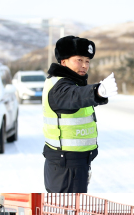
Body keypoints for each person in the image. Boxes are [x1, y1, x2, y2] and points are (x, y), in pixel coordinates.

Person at [42, 35, 118, 193]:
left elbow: (78, 98)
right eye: (79, 60)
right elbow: (75, 96)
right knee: (68, 212)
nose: (84, 65)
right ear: (63, 61)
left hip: (71, 163)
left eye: (87, 61)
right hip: (67, 167)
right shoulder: (61, 87)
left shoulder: (68, 82)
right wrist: (97, 91)